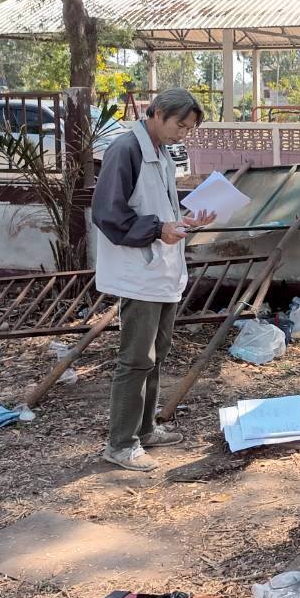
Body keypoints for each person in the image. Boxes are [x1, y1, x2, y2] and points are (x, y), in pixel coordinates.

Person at [91, 89, 216, 472]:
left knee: (156, 355)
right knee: (136, 359)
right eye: (180, 124)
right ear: (158, 113)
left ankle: (145, 430)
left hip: (161, 271)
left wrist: (185, 221)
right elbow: (107, 214)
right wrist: (158, 229)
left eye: (189, 128)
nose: (183, 133)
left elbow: (158, 205)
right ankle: (121, 442)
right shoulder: (125, 150)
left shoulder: (159, 151)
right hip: (139, 273)